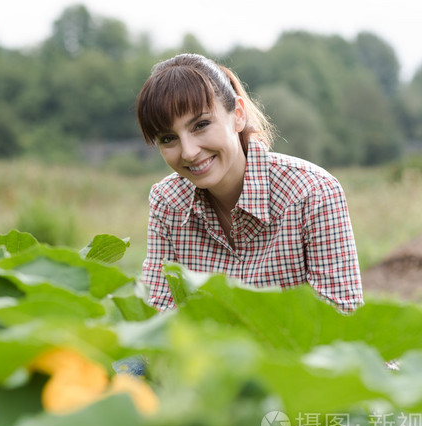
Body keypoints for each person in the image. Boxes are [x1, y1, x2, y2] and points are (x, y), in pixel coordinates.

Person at [135, 53, 363, 313]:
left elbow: (341, 320)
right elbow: (157, 316)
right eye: (168, 138)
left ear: (238, 115)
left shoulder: (312, 192)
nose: (188, 152)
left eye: (201, 125)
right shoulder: (168, 201)